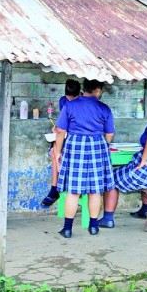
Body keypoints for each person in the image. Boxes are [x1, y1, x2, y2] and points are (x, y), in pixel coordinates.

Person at [99, 99, 147, 227]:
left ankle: (107, 219)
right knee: (134, 172)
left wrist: (143, 160)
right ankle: (145, 210)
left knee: (111, 179)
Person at [53, 79, 114, 238]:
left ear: (83, 88)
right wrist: (101, 146)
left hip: (75, 146)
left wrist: (58, 151)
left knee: (73, 191)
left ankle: (67, 229)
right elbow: (109, 134)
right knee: (96, 190)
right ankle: (93, 226)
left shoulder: (70, 105)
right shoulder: (104, 108)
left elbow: (60, 131)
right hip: (97, 145)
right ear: (98, 90)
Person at [41, 79, 81, 207]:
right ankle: (55, 188)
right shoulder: (63, 101)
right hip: (65, 136)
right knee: (54, 152)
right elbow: (63, 123)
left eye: (72, 98)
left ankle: (60, 187)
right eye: (68, 98)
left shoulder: (83, 103)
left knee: (57, 154)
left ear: (79, 94)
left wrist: (61, 129)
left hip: (78, 139)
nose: (69, 101)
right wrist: (57, 128)